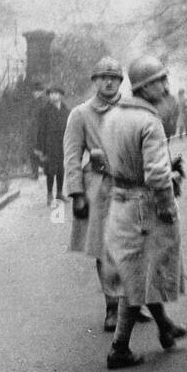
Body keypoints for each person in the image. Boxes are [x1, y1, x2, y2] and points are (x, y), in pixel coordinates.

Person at [99, 54, 187, 368]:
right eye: (160, 82)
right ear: (144, 87)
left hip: (120, 202)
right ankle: (119, 348)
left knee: (138, 271)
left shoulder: (113, 115)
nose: (166, 87)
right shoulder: (150, 121)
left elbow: (110, 159)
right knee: (138, 277)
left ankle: (164, 327)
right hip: (145, 206)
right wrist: (167, 206)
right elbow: (155, 175)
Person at [64, 56, 132, 333]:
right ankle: (111, 307)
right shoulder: (80, 114)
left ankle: (130, 303)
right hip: (99, 189)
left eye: (114, 77)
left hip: (129, 185)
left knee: (132, 246)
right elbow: (71, 156)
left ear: (120, 82)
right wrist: (77, 193)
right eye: (103, 77)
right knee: (105, 249)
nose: (108, 82)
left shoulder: (130, 110)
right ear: (94, 81)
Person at [35, 84, 70, 205]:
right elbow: (40, 130)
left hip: (62, 144)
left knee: (61, 169)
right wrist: (40, 148)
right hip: (49, 145)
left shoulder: (66, 110)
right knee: (50, 170)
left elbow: (70, 128)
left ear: (60, 95)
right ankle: (49, 194)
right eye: (51, 93)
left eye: (56, 93)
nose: (53, 96)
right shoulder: (45, 111)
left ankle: (59, 193)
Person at [28, 85, 46, 180]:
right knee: (32, 151)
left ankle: (42, 169)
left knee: (40, 151)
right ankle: (35, 172)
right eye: (35, 91)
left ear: (42, 92)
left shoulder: (43, 103)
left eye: (38, 91)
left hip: (40, 130)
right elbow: (29, 116)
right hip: (32, 130)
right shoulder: (31, 103)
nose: (36, 93)